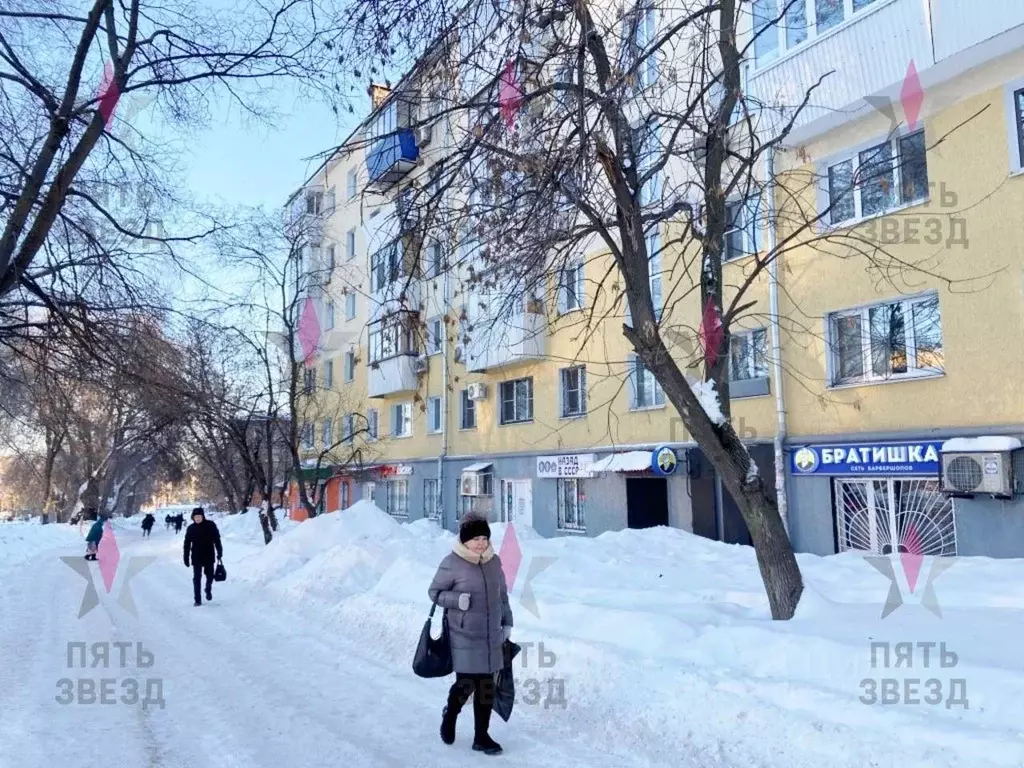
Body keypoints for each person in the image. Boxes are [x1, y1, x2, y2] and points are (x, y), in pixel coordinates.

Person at [428, 514, 513, 756]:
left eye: (484, 538)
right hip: (463, 634)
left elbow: (502, 595)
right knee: (466, 684)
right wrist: (457, 600)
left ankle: (481, 736)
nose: (480, 543)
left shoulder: (494, 562)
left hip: (491, 636)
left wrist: (507, 622)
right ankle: (451, 713)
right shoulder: (452, 562)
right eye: (475, 538)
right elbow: (434, 592)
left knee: (486, 687)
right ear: (465, 540)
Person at [183, 507, 223, 607]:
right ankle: (197, 600)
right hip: (196, 556)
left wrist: (219, 552)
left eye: (199, 516)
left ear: (203, 516)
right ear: (193, 517)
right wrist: (186, 557)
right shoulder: (191, 528)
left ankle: (208, 588)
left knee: (210, 576)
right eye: (195, 517)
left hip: (209, 555)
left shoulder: (210, 525)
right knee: (197, 578)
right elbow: (187, 544)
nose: (197, 518)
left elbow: (217, 540)